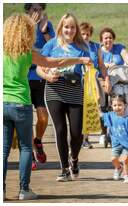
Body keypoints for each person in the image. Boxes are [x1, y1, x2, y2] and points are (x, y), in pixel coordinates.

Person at [3, 14, 91, 200]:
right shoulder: (28, 53)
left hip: (4, 103)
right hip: (24, 102)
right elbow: (52, 63)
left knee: (3, 150)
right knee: (28, 147)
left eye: (72, 27)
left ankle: (2, 190)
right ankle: (26, 188)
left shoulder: (3, 51)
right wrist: (78, 61)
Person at [36, 13, 91, 182]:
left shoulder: (82, 47)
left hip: (75, 91)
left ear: (76, 29)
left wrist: (89, 69)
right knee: (60, 130)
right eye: (66, 27)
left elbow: (89, 69)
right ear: (61, 27)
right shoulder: (52, 44)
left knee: (76, 134)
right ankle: (64, 169)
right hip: (54, 91)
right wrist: (46, 76)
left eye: (72, 27)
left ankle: (74, 158)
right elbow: (39, 67)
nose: (69, 30)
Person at [24, 3, 55, 170]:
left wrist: (44, 31)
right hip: (24, 78)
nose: (37, 12)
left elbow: (54, 47)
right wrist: (30, 26)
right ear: (27, 10)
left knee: (43, 117)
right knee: (26, 118)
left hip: (42, 76)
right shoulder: (21, 24)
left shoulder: (47, 25)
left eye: (40, 9)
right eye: (34, 9)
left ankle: (38, 141)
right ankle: (30, 157)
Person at [79, 22, 111, 149]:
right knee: (80, 109)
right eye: (83, 34)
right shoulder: (75, 46)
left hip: (93, 79)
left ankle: (86, 138)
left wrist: (107, 78)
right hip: (79, 79)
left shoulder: (96, 47)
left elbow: (102, 65)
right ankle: (80, 138)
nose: (86, 37)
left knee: (91, 106)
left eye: (88, 34)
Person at [101, 94, 128, 184]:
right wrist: (94, 105)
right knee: (113, 159)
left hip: (127, 144)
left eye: (120, 105)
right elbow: (101, 115)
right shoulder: (110, 116)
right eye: (115, 105)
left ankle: (127, 176)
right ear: (112, 106)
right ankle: (118, 168)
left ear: (125, 105)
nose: (117, 107)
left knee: (125, 159)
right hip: (116, 143)